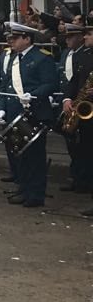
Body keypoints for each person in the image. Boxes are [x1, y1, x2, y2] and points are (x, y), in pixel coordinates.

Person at [0, 21, 58, 208]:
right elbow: (6, 86)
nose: (10, 41)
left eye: (14, 38)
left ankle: (35, 194)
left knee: (35, 156)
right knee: (19, 154)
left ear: (27, 38)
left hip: (35, 112)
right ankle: (24, 188)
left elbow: (50, 83)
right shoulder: (14, 59)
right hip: (15, 113)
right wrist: (2, 107)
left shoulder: (42, 58)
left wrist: (34, 94)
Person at [61, 22, 93, 214]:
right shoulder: (82, 56)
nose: (85, 38)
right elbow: (75, 81)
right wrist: (67, 98)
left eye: (89, 34)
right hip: (87, 112)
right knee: (87, 153)